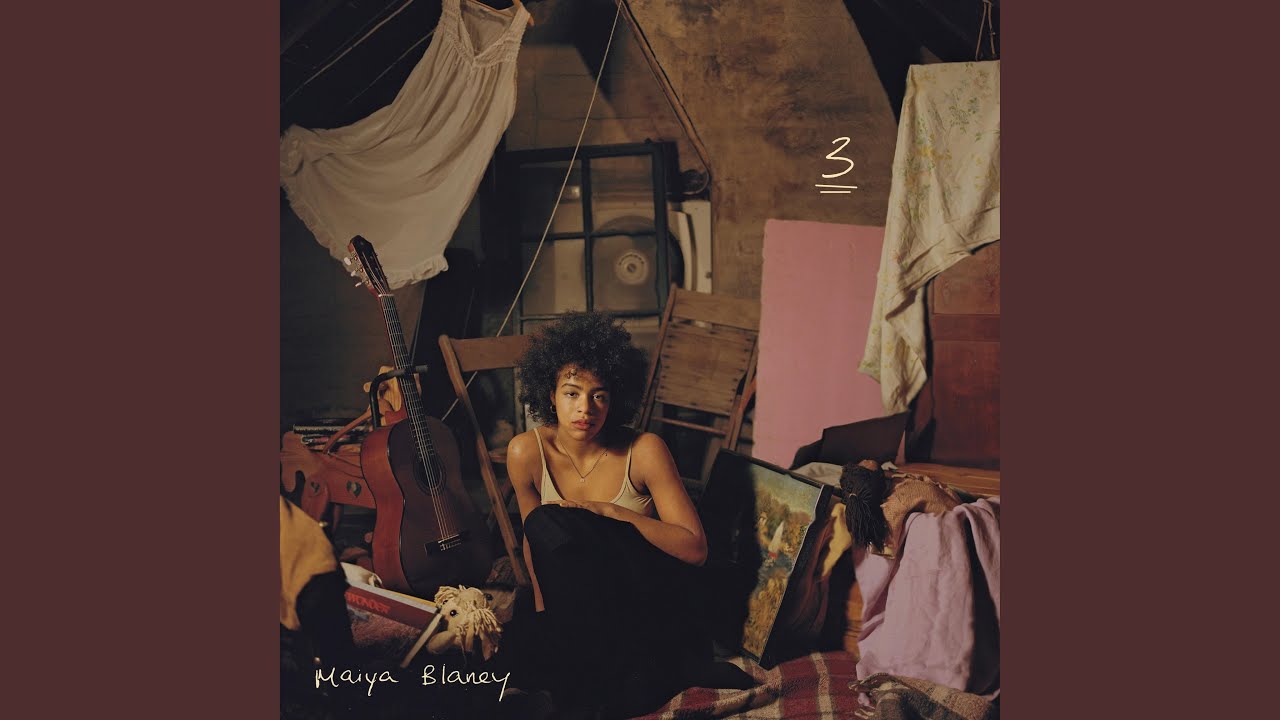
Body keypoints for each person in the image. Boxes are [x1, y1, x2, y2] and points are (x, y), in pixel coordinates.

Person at [502, 311, 752, 719]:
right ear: (550, 394)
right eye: (571, 393)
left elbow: (695, 550)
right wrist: (549, 621)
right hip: (583, 610)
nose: (585, 408)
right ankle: (596, 672)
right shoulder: (525, 452)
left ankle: (642, 670)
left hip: (648, 598)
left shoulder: (645, 449)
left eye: (599, 395)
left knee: (548, 523)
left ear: (615, 397)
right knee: (521, 635)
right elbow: (537, 547)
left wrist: (612, 511)